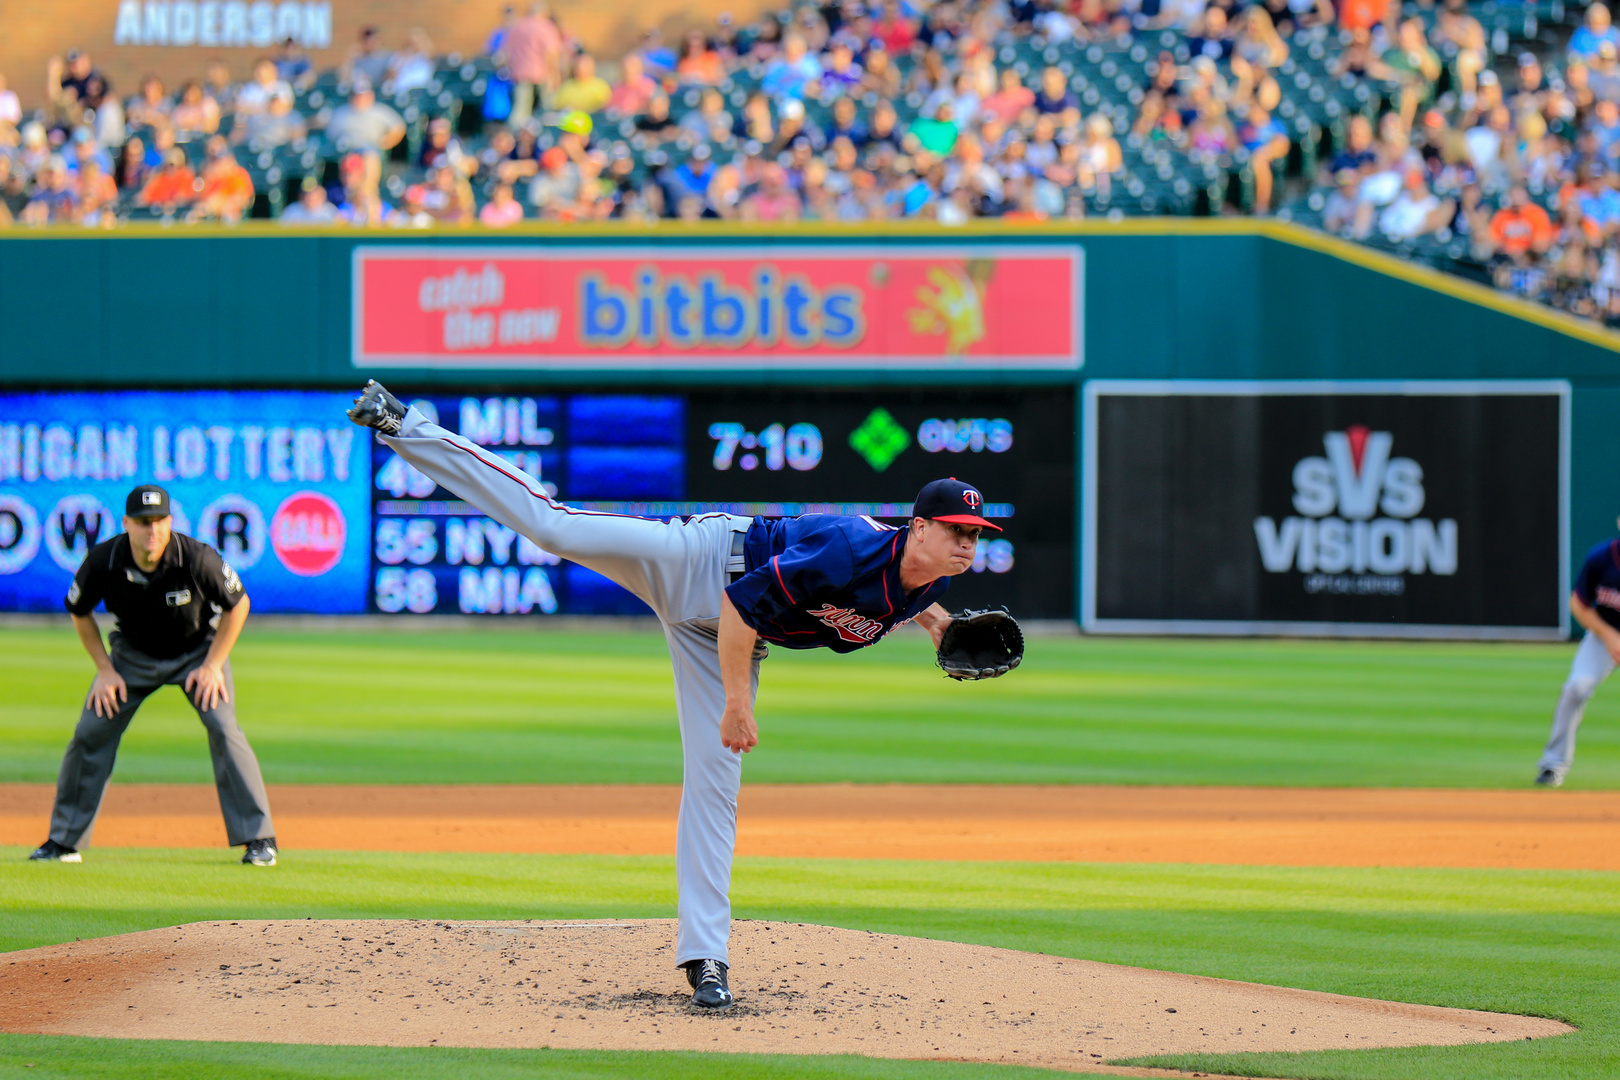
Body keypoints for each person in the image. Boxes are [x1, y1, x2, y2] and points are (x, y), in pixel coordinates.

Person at [347, 382, 1003, 1010]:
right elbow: (742, 605)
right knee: (555, 527)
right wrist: (737, 702)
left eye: (974, 536)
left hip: (723, 631)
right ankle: (403, 425)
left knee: (718, 785)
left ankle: (706, 959)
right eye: (954, 531)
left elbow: (896, 600)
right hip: (701, 562)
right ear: (917, 527)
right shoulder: (846, 549)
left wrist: (939, 627)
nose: (966, 545)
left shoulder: (928, 585)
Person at [29, 485, 277, 867]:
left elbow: (238, 603)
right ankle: (63, 842)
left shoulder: (195, 557)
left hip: (195, 653)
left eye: (160, 520)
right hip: (131, 657)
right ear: (127, 523)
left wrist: (213, 665)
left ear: (170, 522)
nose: (153, 530)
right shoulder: (104, 559)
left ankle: (259, 839)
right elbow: (79, 610)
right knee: (90, 731)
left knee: (223, 727)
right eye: (143, 522)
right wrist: (104, 669)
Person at [1537, 517, 1620, 786]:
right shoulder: (1601, 558)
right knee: (1576, 687)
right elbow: (1579, 605)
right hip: (1603, 635)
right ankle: (1552, 766)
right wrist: (1610, 636)